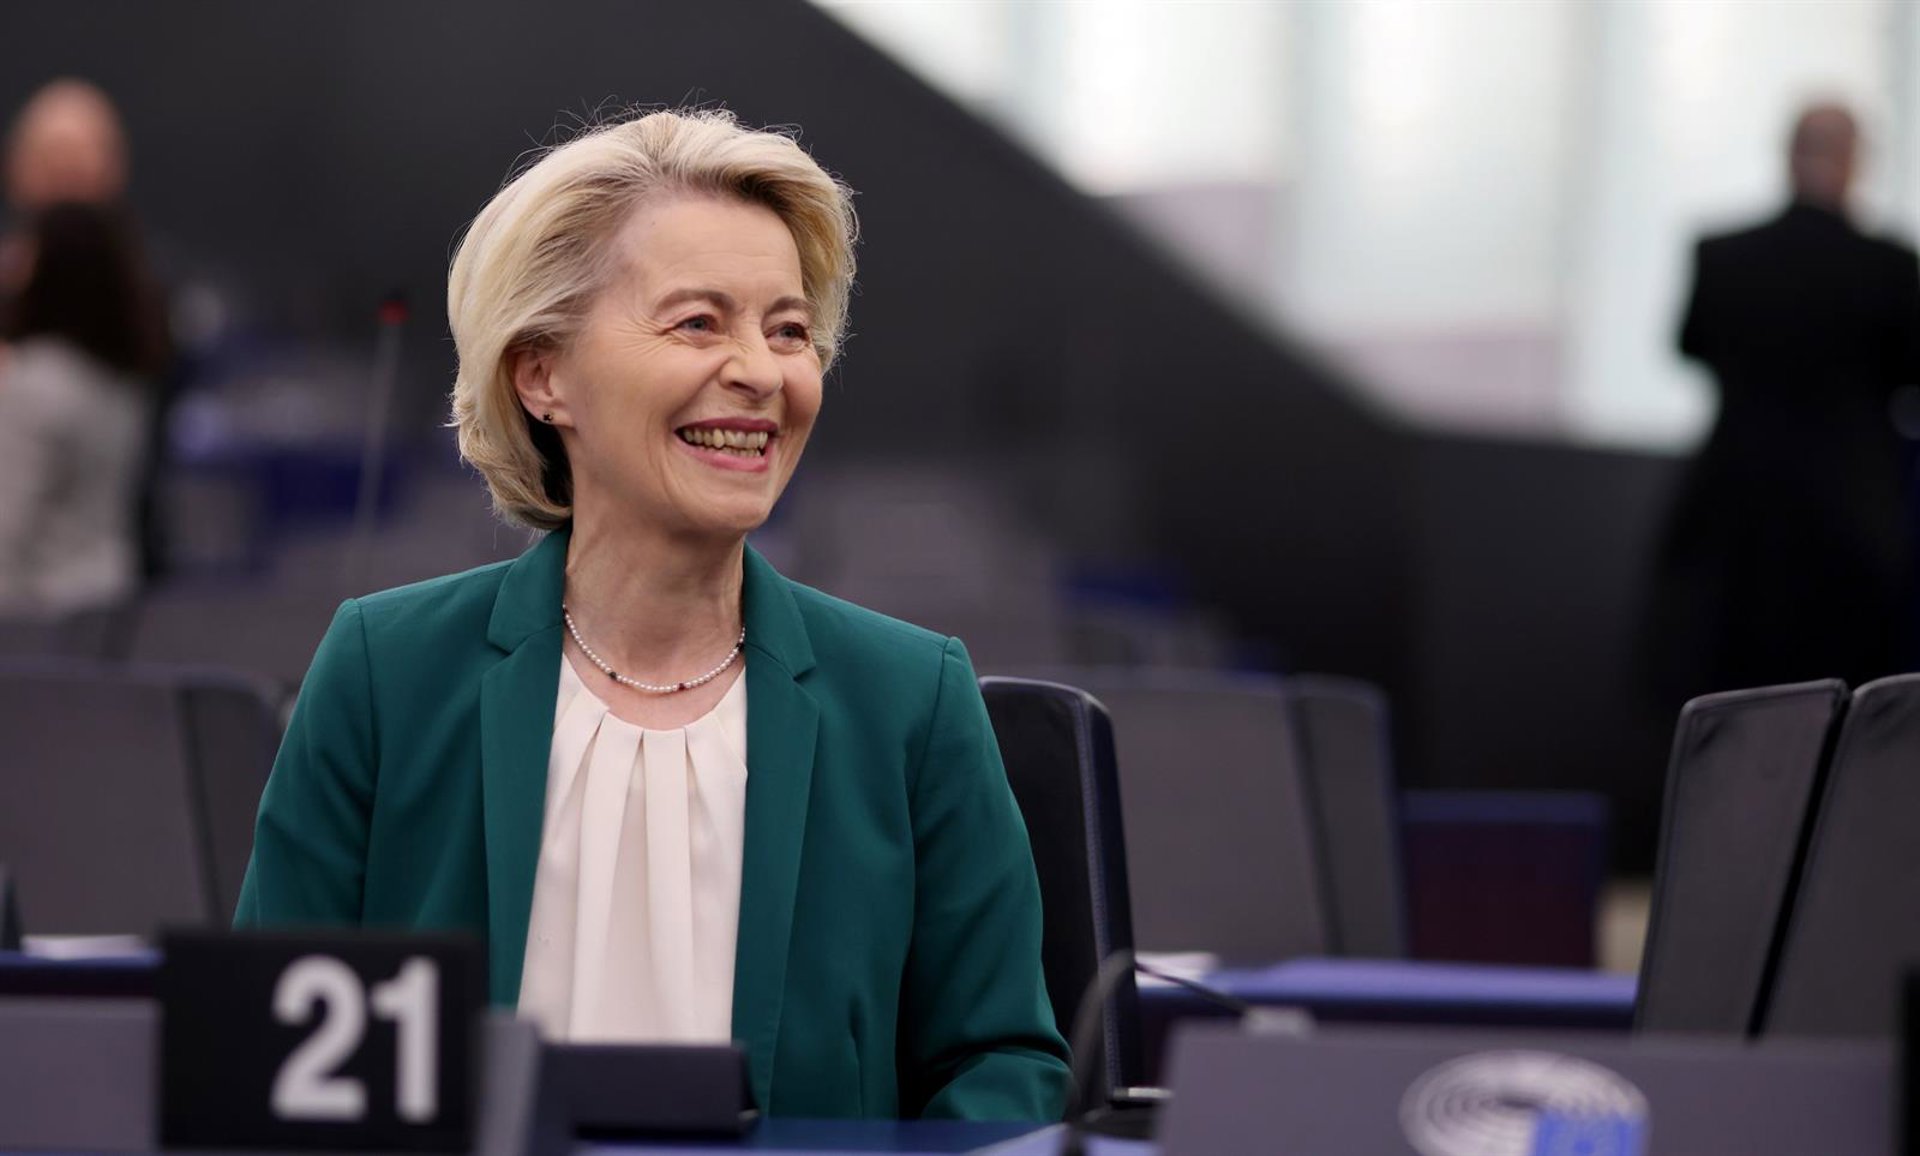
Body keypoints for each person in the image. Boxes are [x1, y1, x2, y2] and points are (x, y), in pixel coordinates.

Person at [234, 109, 1071, 1121]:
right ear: (543, 374)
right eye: (698, 323)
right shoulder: (383, 672)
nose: (760, 372)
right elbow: (267, 1065)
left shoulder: (911, 700)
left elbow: (1002, 1069)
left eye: (788, 330)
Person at [1649, 103, 1920, 700]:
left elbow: (1691, 345)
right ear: (1855, 161)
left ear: (1789, 154)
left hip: (1740, 514)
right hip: (1852, 519)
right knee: (1843, 703)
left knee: (1735, 702)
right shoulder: (1891, 269)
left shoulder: (1723, 256)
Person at [0, 201, 164, 615]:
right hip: (112, 604)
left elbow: (7, 529)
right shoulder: (125, 383)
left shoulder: (33, 383)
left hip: (38, 621)